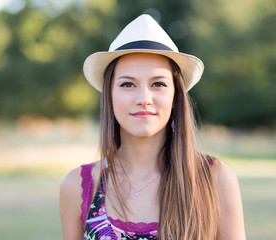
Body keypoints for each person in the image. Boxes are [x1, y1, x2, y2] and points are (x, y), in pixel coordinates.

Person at [59, 14, 246, 240]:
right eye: (128, 84)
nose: (144, 98)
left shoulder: (214, 178)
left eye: (158, 84)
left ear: (176, 96)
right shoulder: (78, 186)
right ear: (109, 95)